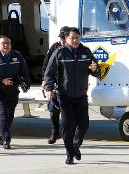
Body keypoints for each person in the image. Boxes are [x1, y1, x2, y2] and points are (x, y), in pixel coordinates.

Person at [44, 27, 100, 165]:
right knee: (67, 125)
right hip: (64, 96)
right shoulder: (60, 53)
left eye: (77, 38)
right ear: (66, 39)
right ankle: (70, 154)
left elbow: (96, 70)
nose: (75, 40)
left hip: (81, 96)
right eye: (72, 38)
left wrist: (95, 69)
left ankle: (75, 146)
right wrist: (49, 88)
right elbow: (49, 73)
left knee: (84, 125)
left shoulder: (86, 52)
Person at [0, 35, 31, 149]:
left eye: (8, 43)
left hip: (13, 89)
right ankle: (6, 138)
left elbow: (24, 71)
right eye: (3, 43)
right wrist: (2, 80)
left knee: (10, 114)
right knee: (3, 113)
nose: (6, 45)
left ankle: (2, 133)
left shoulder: (17, 55)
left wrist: (26, 84)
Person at [41, 26, 69, 144]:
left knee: (67, 112)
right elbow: (46, 64)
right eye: (61, 38)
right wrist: (45, 80)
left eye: (64, 38)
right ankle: (55, 132)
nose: (61, 40)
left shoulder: (75, 49)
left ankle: (67, 134)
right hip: (55, 84)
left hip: (68, 85)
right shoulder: (55, 47)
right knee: (53, 109)